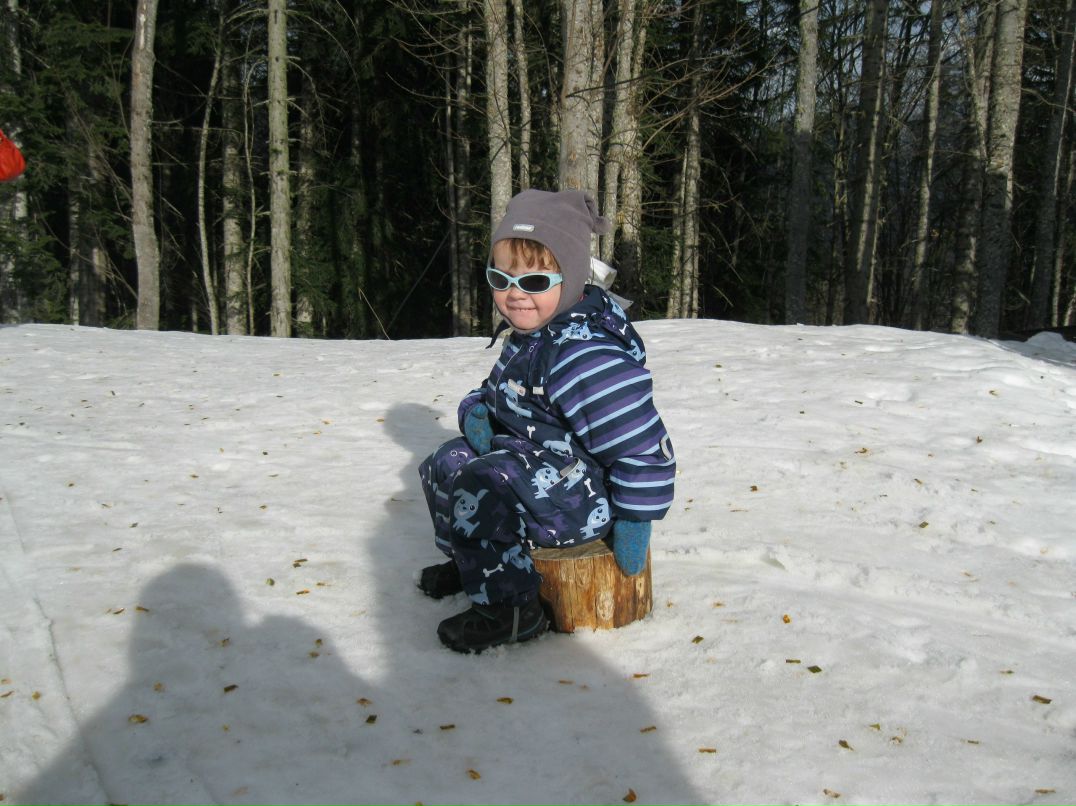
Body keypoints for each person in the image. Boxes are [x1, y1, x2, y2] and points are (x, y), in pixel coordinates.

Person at [417, 189, 676, 654]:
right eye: (501, 278)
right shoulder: (531, 334)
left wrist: (636, 520)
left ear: (571, 278)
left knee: (482, 481)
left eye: (535, 282)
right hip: (532, 464)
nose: (515, 296)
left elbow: (639, 443)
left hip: (583, 492)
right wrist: (476, 411)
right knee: (446, 461)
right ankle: (474, 563)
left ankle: (513, 610)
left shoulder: (584, 356)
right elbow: (497, 391)